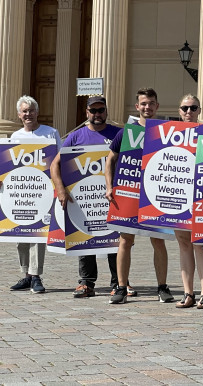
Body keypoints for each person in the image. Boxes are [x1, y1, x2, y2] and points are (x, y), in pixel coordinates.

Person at [104, 88, 174, 304]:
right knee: (125, 240)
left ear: (157, 106)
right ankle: (121, 287)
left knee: (158, 241)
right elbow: (110, 160)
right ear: (137, 107)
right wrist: (109, 186)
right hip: (128, 191)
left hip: (155, 194)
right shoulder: (125, 132)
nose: (147, 107)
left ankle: (162, 287)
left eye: (151, 103)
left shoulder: (166, 133)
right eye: (143, 103)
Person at [50, 96, 120, 298]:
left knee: (115, 240)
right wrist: (60, 189)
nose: (97, 114)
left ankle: (119, 282)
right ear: (87, 112)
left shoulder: (118, 134)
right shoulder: (75, 136)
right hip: (85, 198)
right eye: (93, 111)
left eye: (101, 110)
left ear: (106, 111)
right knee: (84, 234)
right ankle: (86, 282)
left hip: (112, 198)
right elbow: (55, 165)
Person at [0, 95, 61, 294]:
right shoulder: (14, 137)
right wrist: (0, 181)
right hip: (21, 193)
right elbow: (10, 168)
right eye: (24, 111)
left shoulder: (50, 134)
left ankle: (35, 276)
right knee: (21, 234)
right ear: (19, 115)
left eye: (31, 110)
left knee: (38, 235)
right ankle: (25, 275)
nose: (28, 114)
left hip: (42, 192)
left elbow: (59, 163)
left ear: (37, 112)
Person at [172, 94, 203, 310]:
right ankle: (188, 292)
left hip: (199, 194)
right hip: (177, 194)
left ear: (199, 110)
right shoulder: (168, 135)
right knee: (183, 244)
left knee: (200, 245)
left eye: (193, 108)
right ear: (179, 110)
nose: (189, 112)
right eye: (185, 108)